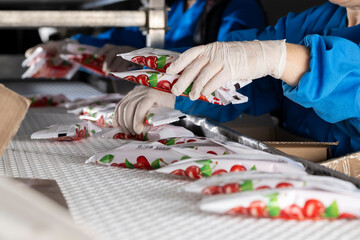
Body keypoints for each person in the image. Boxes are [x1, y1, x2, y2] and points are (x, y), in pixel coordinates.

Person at [114, 0, 360, 158]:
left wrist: (279, 57)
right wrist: (175, 90)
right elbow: (253, 81)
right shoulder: (318, 19)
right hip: (300, 170)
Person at [25, 0, 265, 74]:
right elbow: (126, 37)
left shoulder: (239, 8)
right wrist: (69, 46)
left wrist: (145, 58)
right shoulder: (174, 10)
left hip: (216, 117)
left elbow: (229, 61)